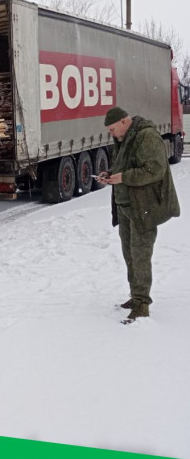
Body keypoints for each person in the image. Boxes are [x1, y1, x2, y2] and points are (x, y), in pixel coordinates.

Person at [96, 106, 180, 323]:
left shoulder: (146, 136)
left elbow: (155, 170)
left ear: (125, 121)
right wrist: (110, 174)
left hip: (143, 207)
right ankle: (135, 297)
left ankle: (142, 305)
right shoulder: (124, 139)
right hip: (125, 206)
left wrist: (123, 177)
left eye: (113, 129)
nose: (111, 134)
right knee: (130, 254)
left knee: (141, 255)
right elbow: (123, 167)